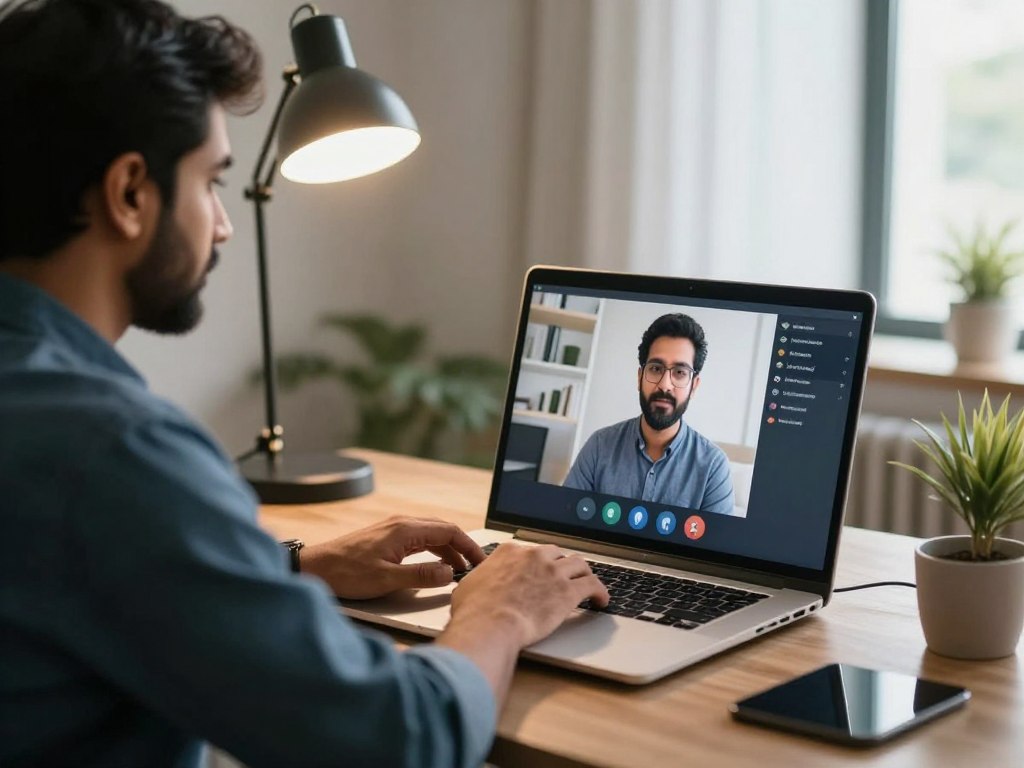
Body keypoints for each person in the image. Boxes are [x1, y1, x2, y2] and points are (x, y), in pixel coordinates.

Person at [0, 2, 608, 766]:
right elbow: (399, 742)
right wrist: (503, 613)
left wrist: (285, 569)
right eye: (212, 180)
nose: (222, 224)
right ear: (129, 194)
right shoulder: (115, 450)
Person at [564, 313, 735, 516]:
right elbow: (564, 520)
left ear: (694, 386)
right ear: (640, 377)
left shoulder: (714, 467)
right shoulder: (599, 446)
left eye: (679, 372)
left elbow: (713, 545)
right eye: (655, 368)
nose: (664, 385)